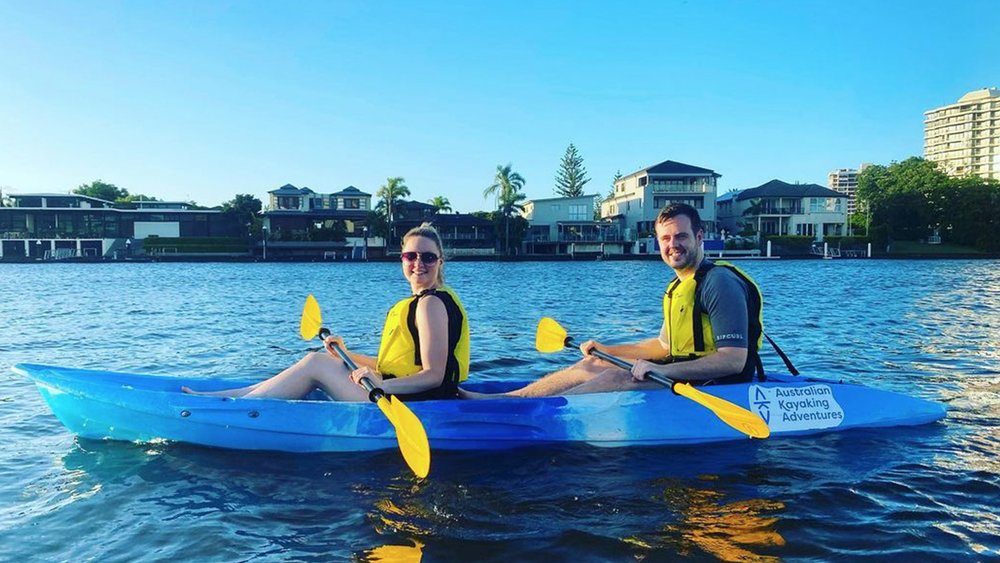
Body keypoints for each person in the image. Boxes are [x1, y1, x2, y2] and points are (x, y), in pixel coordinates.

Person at [463, 202, 763, 398]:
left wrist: (664, 371)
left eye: (681, 236)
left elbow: (733, 360)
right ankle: (508, 401)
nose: (673, 245)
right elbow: (663, 346)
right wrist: (606, 350)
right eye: (665, 239)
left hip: (720, 388)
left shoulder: (719, 283)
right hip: (684, 375)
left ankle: (536, 413)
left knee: (619, 378)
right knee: (593, 363)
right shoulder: (680, 286)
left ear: (699, 237)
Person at [183, 223, 470, 401]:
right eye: (411, 256)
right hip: (397, 389)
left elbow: (433, 376)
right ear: (402, 260)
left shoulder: (430, 304)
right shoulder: (417, 303)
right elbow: (393, 365)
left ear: (440, 262)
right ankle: (231, 397)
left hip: (414, 400)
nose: (418, 263)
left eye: (428, 257)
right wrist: (345, 353)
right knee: (321, 359)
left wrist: (383, 385)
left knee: (315, 365)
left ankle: (234, 405)